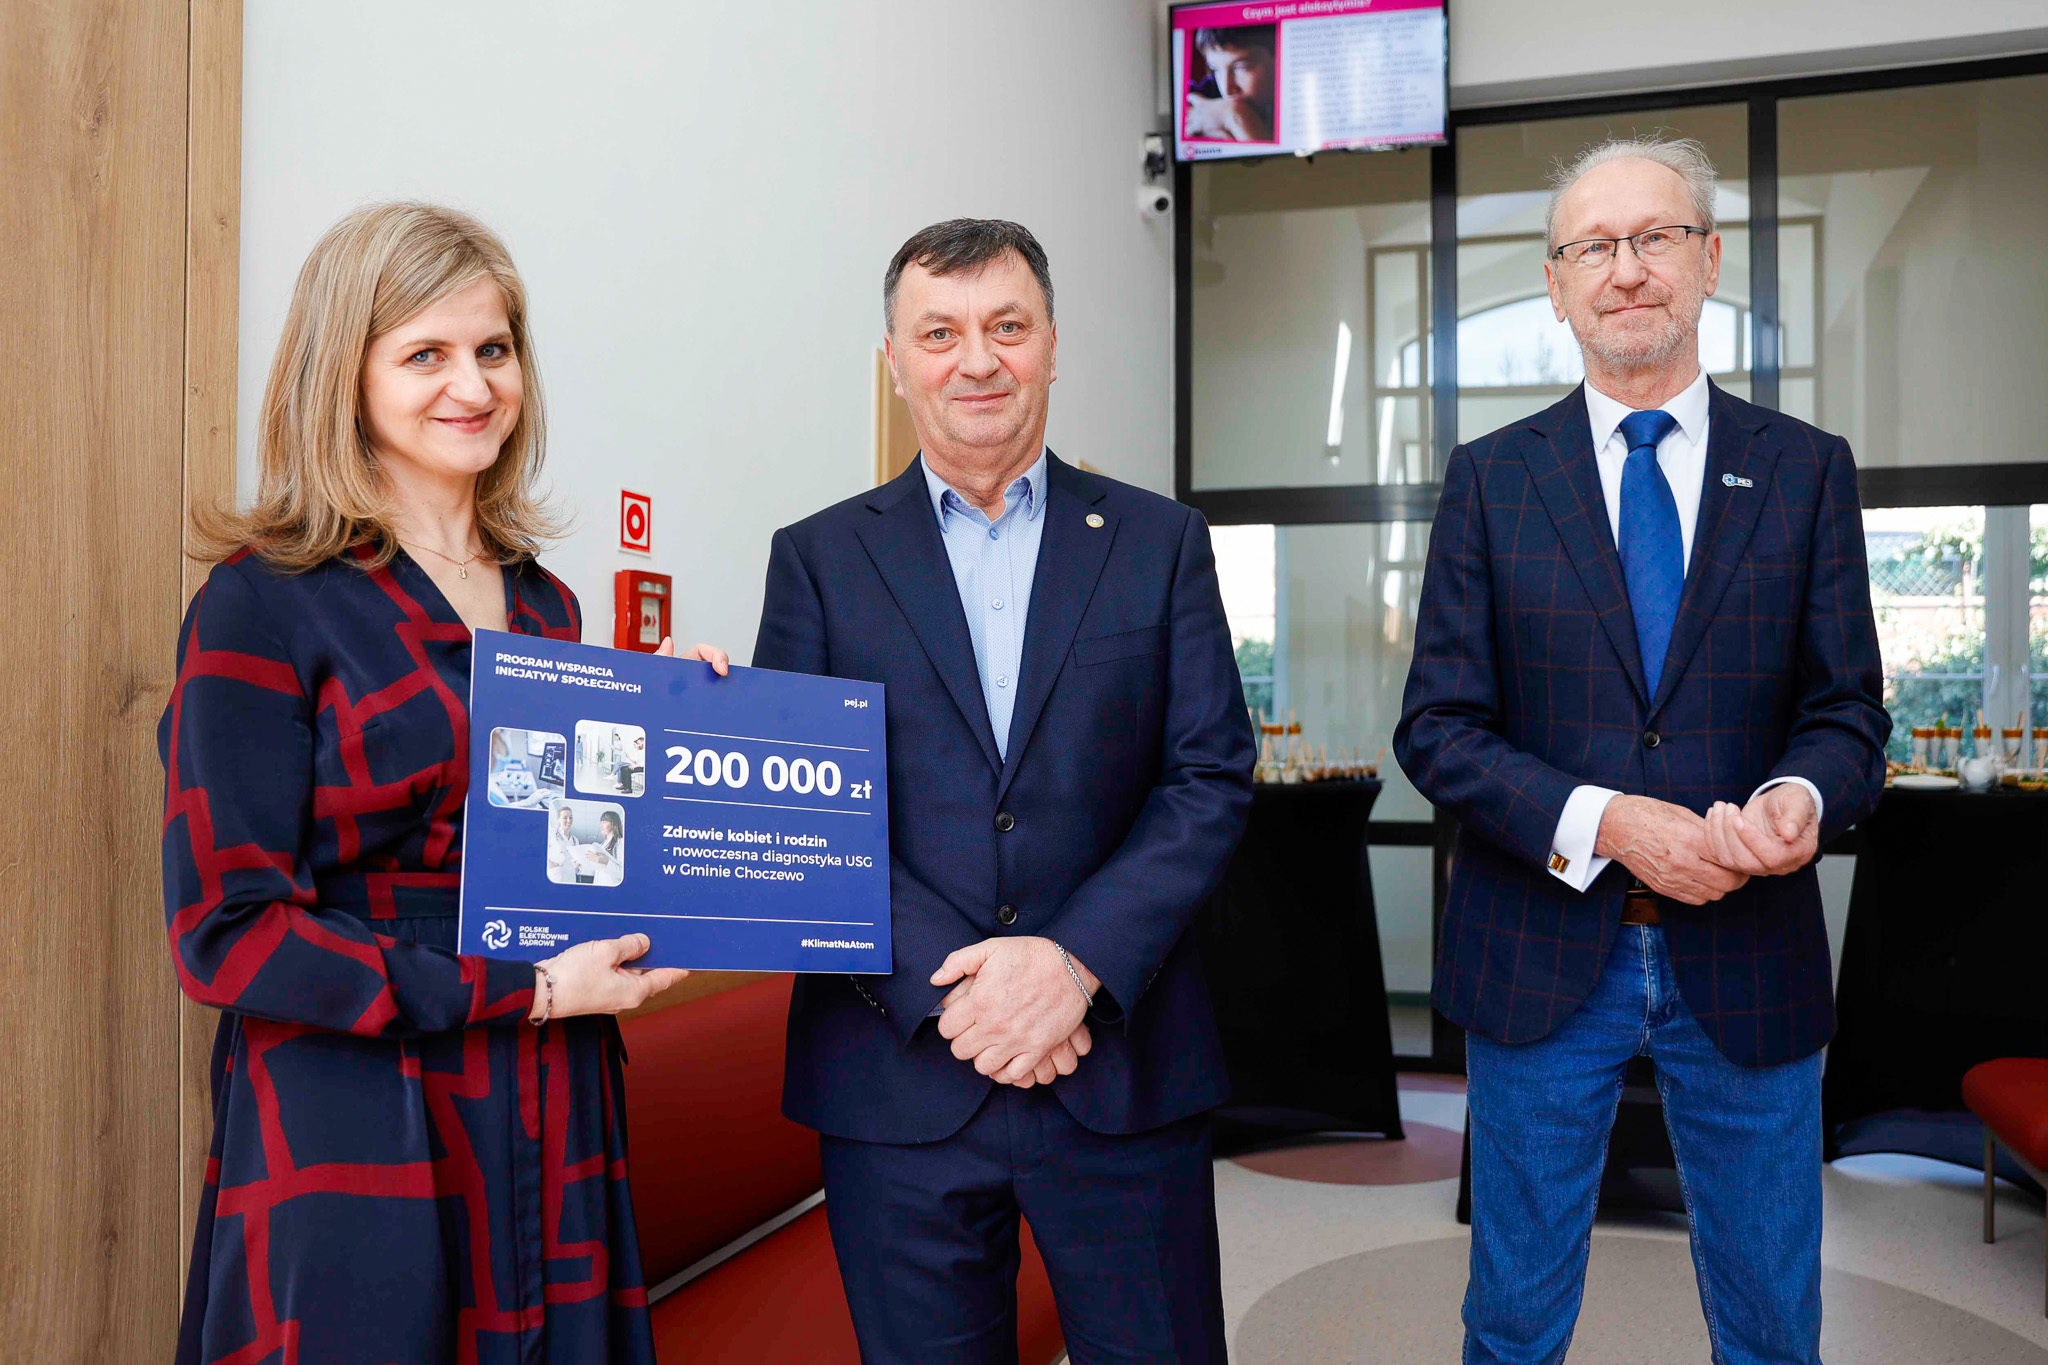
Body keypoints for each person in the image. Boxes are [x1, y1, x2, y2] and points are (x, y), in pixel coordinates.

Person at [161, 201, 729, 1365]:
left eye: (493, 349)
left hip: (549, 1086)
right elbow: (225, 933)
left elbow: (566, 864)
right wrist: (526, 991)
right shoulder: (261, 601)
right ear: (345, 374)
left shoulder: (545, 605)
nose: (472, 385)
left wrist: (671, 733)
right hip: (354, 1102)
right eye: (425, 354)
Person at [1393, 138, 1889, 1364]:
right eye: (1591, 247)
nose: (1625, 270)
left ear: (1707, 261)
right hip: (1539, 956)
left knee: (1771, 1321)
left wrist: (1797, 795)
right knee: (1511, 1320)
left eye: (1654, 237)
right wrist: (1608, 822)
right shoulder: (1490, 480)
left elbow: (1845, 714)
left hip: (1749, 956)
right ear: (1556, 286)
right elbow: (1437, 729)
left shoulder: (1803, 471)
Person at [753, 218, 1255, 1362]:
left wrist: (1070, 966)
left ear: (1051, 346)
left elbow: (1208, 776)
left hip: (1122, 1069)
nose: (975, 360)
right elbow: (804, 816)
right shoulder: (817, 561)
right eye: (938, 333)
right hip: (896, 1074)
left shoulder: (1158, 542)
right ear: (894, 361)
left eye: (1006, 327)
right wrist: (966, 995)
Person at [1184, 24, 1276, 143]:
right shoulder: (1201, 93)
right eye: (1215, 69)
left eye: (1242, 68)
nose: (1227, 89)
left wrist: (1234, 115)